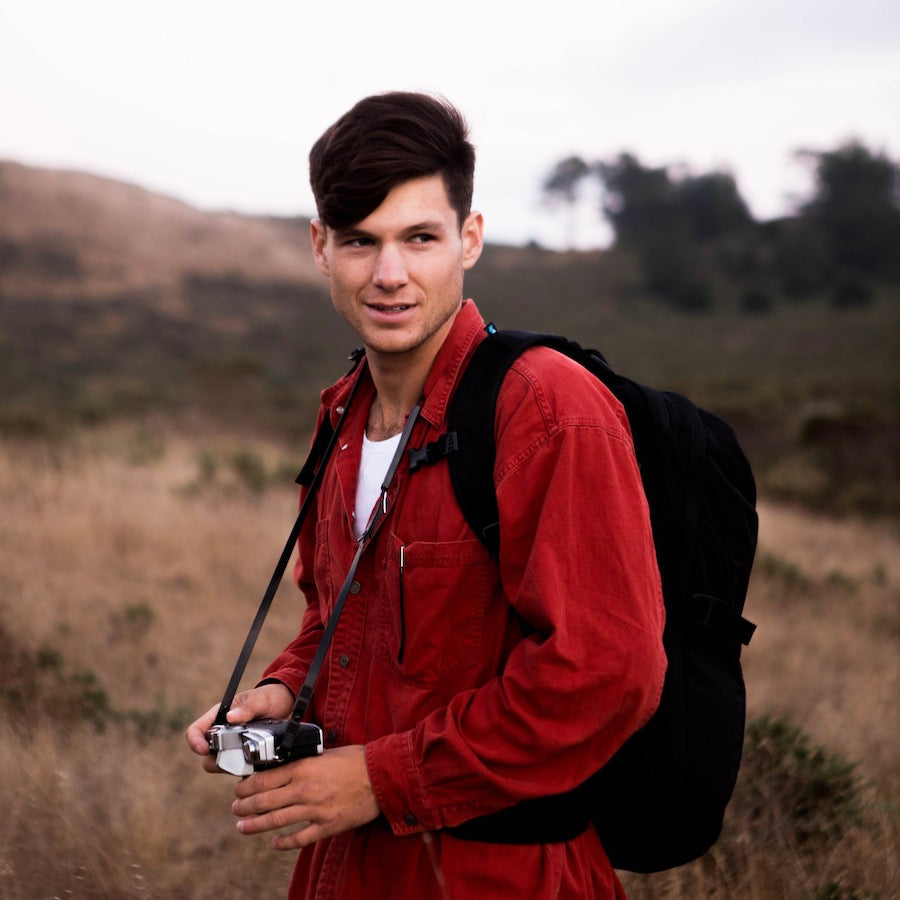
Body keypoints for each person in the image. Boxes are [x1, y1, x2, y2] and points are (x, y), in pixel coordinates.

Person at [186, 91, 666, 899]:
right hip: (346, 869)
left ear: (469, 238)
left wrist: (382, 779)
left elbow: (607, 671)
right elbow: (337, 613)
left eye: (419, 238)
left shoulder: (547, 409)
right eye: (360, 241)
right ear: (320, 246)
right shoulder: (342, 414)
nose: (389, 275)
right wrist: (282, 691)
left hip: (502, 876)